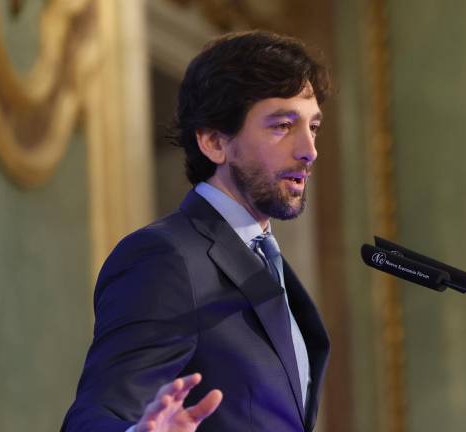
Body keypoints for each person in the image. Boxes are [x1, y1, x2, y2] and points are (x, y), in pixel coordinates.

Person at [61, 31, 331, 432]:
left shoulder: (264, 261)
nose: (309, 150)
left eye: (313, 127)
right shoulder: (164, 258)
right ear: (213, 142)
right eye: (282, 125)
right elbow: (97, 415)